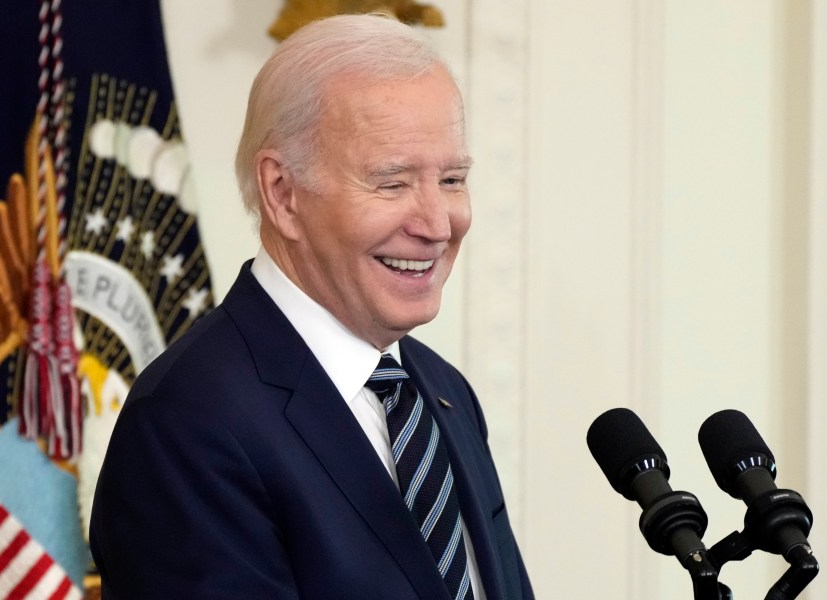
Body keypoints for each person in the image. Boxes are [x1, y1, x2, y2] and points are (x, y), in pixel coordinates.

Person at [90, 13, 534, 600]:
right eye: (392, 183)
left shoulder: (442, 392)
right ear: (282, 193)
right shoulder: (186, 423)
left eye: (452, 179)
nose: (437, 224)